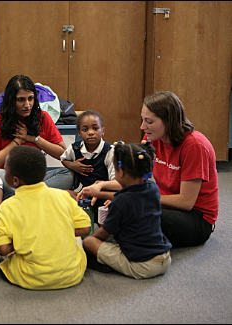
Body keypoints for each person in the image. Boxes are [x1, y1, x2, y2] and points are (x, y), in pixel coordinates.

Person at [78, 91, 218, 248]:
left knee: (135, 212)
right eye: (143, 120)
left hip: (195, 218)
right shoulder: (151, 138)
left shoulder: (194, 146)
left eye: (149, 122)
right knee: (100, 201)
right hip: (158, 200)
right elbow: (135, 179)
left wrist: (129, 200)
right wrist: (102, 185)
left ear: (169, 121)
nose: (142, 126)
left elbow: (186, 202)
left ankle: (120, 242)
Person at [0, 146, 91, 290]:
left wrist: (24, 242)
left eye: (5, 170)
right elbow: (85, 228)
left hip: (30, 277)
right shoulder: (63, 196)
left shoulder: (7, 207)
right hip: (72, 274)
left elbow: (3, 249)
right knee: (75, 235)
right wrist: (57, 233)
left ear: (15, 181)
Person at [83, 141, 172, 279]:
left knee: (89, 243)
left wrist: (90, 240)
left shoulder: (120, 202)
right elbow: (130, 197)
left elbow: (105, 233)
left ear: (121, 171)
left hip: (143, 266)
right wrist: (99, 194)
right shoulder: (153, 188)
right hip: (165, 258)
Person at [0, 75, 74, 194]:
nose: (27, 105)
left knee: (69, 174)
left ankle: (29, 195)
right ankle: (40, 195)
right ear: (11, 101)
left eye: (30, 98)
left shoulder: (43, 117)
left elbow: (63, 154)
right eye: (21, 100)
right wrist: (17, 141)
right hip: (10, 180)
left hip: (37, 181)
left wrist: (34, 139)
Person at [60, 110, 115, 200]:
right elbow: (63, 159)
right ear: (79, 133)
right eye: (85, 130)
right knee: (63, 194)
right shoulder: (75, 148)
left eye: (95, 128)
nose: (90, 132)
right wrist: (72, 165)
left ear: (103, 131)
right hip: (85, 193)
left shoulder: (110, 151)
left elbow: (115, 180)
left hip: (104, 194)